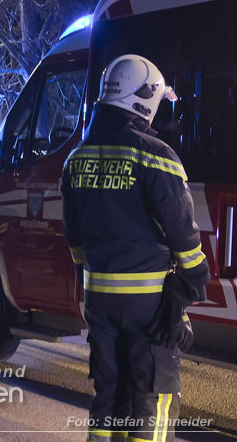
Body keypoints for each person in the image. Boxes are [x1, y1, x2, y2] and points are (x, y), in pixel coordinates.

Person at [61, 54, 210, 442]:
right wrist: (191, 284)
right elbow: (184, 236)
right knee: (152, 400)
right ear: (141, 99)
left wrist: (88, 279)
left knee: (109, 397)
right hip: (148, 304)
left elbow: (74, 236)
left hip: (100, 301)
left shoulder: (76, 159)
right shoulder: (155, 156)